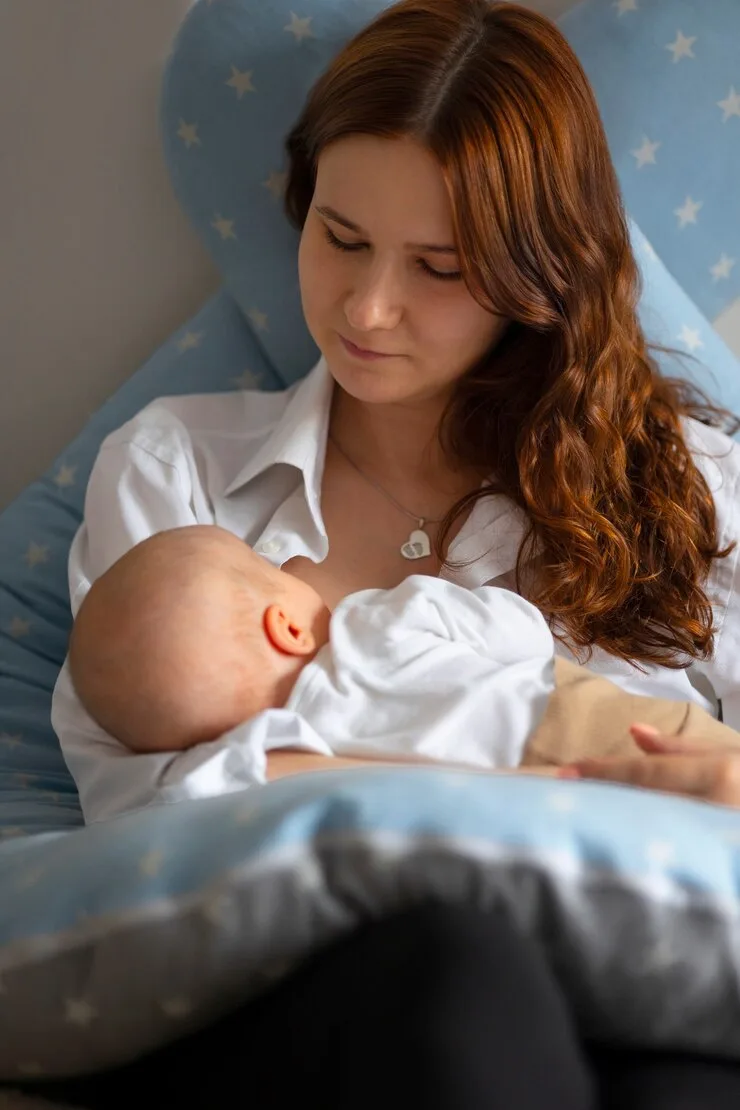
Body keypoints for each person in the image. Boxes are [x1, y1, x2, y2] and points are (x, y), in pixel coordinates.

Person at [44, 0, 740, 1105]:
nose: (368, 308)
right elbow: (151, 824)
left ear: (537, 274)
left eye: (440, 267)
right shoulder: (180, 473)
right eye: (341, 237)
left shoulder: (680, 482)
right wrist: (496, 794)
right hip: (348, 988)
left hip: (652, 949)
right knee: (462, 977)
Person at [68, 524, 740, 778]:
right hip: (582, 724)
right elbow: (520, 633)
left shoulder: (275, 754)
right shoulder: (373, 622)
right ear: (288, 627)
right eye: (271, 563)